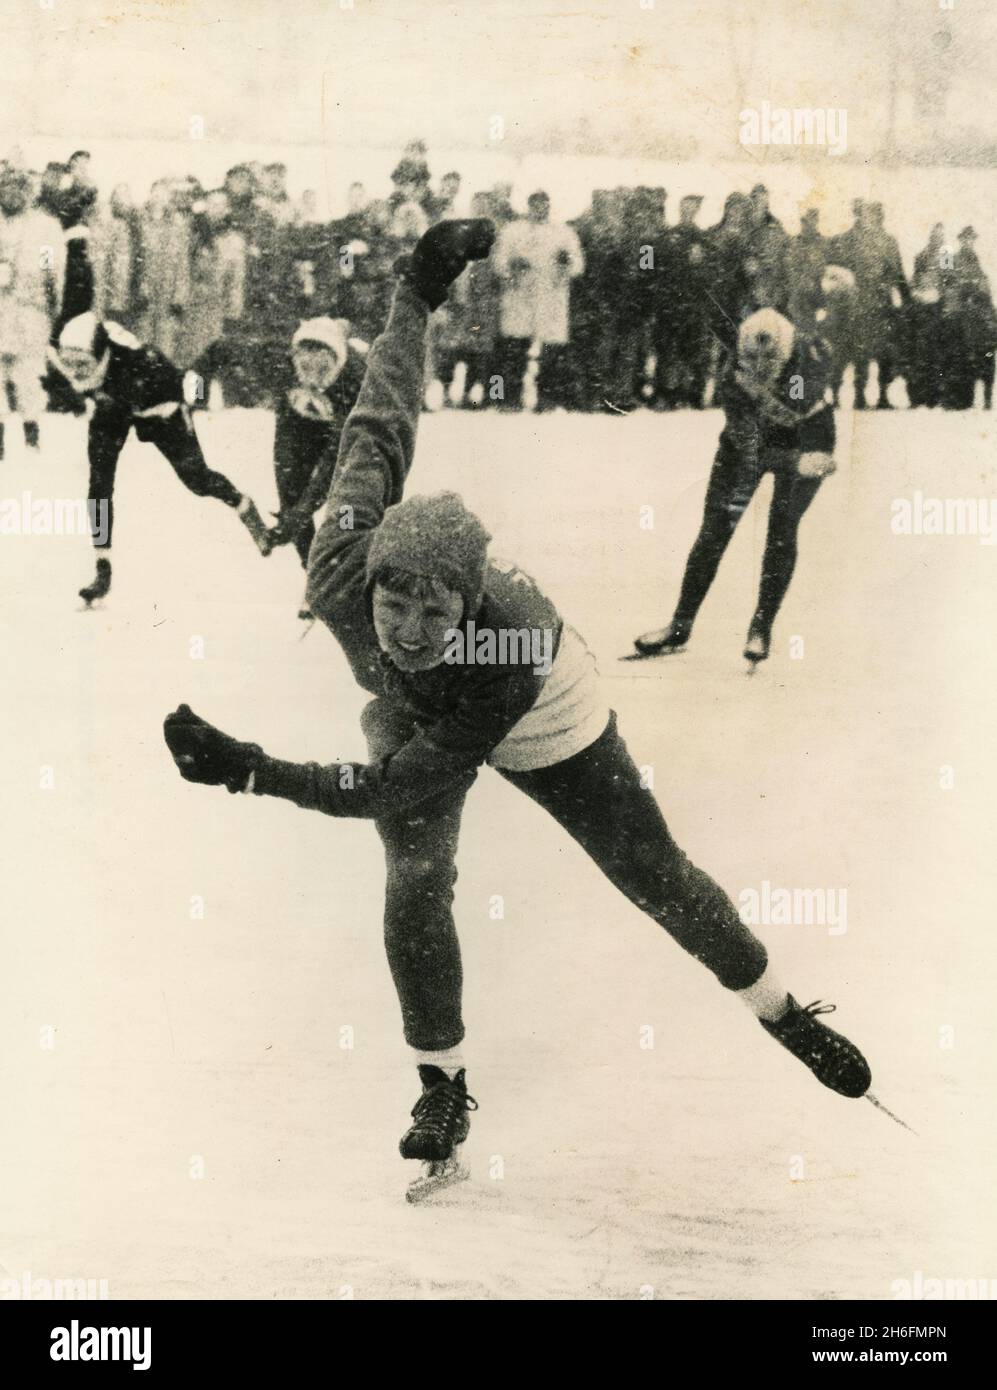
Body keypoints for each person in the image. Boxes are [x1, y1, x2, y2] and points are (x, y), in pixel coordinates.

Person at [162, 220, 871, 1190]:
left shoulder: (510, 643)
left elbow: (383, 786)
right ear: (364, 572)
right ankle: (442, 1084)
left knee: (649, 870)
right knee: (416, 879)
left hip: (536, 712)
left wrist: (252, 768)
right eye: (393, 601)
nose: (408, 625)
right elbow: (383, 410)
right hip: (419, 709)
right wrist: (416, 286)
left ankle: (780, 1007)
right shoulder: (340, 558)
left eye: (433, 608)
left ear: (471, 598)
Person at [633, 306, 837, 665]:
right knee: (714, 530)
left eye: (770, 361)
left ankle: (761, 627)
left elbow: (805, 426)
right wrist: (792, 462)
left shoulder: (809, 364)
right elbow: (749, 448)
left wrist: (803, 461)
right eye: (752, 361)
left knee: (782, 529)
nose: (760, 369)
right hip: (754, 443)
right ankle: (680, 623)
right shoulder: (733, 375)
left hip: (808, 436)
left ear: (789, 355)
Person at [47, 311, 271, 604]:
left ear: (100, 356)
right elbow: (59, 360)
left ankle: (243, 504)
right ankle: (102, 566)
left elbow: (187, 387)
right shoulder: (77, 352)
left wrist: (175, 409)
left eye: (82, 365)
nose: (76, 372)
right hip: (114, 405)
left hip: (158, 407)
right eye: (70, 364)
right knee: (99, 485)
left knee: (197, 479)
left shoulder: (142, 361)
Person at [268, 316, 367, 618]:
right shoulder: (284, 370)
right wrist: (290, 508)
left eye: (323, 370)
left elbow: (333, 460)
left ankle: (349, 574)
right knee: (292, 491)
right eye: (305, 369)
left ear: (337, 362)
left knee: (344, 504)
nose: (314, 380)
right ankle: (316, 577)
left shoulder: (355, 377)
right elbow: (284, 445)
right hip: (305, 424)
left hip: (356, 429)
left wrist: (302, 511)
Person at [492, 191, 585, 410]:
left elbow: (578, 266)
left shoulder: (563, 233)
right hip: (520, 297)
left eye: (544, 204)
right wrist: (512, 266)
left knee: (551, 353)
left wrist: (566, 263)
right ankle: (508, 398)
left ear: (549, 206)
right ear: (528, 206)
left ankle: (547, 399)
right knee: (514, 350)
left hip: (551, 298)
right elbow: (499, 262)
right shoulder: (513, 231)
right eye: (535, 205)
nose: (539, 209)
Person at [0, 170, 64, 458]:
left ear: (29, 193)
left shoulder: (44, 227)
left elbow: (51, 268)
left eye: (19, 189)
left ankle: (31, 437)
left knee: (28, 376)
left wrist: (53, 303)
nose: (12, 194)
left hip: (30, 311)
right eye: (6, 189)